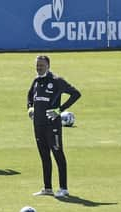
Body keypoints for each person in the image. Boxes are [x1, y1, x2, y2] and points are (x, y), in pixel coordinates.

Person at [27, 55, 81, 198]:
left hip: (52, 126)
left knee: (58, 154)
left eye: (42, 66)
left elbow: (76, 94)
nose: (39, 68)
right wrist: (30, 107)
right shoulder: (36, 81)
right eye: (37, 66)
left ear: (48, 66)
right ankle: (47, 188)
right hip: (38, 125)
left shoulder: (57, 81)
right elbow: (29, 96)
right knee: (44, 155)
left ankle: (63, 188)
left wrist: (59, 110)